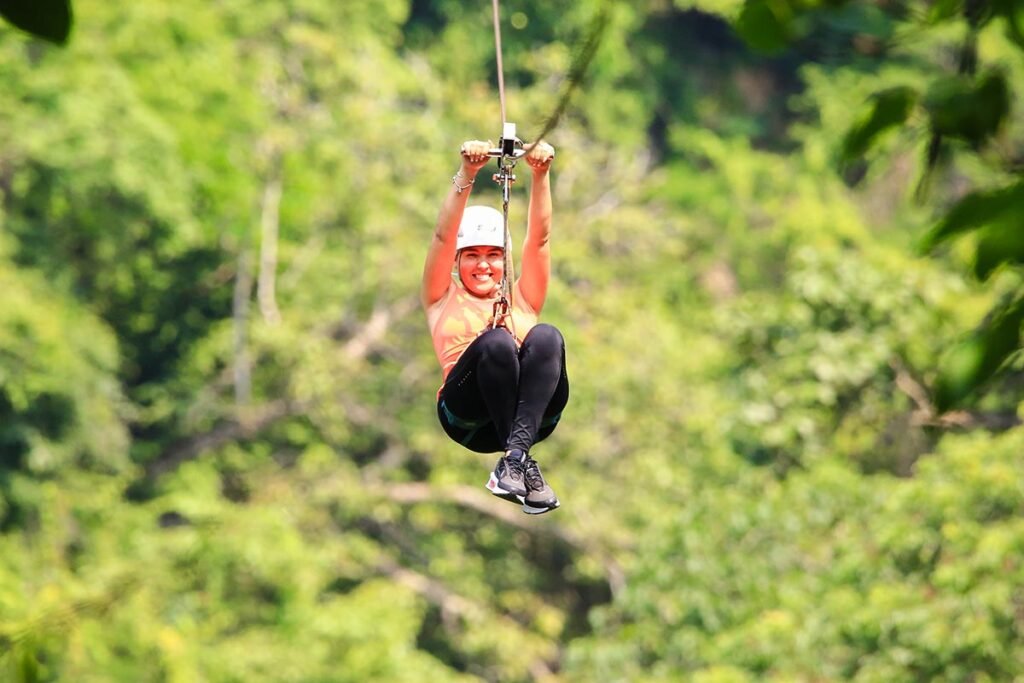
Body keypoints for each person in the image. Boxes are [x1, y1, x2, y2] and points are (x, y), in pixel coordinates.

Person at [421, 138, 568, 515]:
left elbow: (540, 240)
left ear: (505, 260)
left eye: (493, 256)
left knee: (547, 336)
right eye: (472, 255)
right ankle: (517, 460)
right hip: (467, 417)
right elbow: (441, 236)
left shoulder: (523, 300)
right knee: (498, 343)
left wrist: (541, 175)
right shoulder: (442, 298)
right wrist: (467, 173)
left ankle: (516, 459)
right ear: (458, 261)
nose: (483, 265)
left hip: (529, 419)